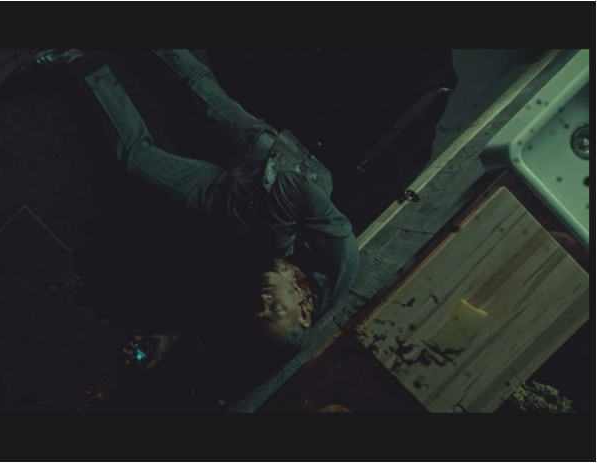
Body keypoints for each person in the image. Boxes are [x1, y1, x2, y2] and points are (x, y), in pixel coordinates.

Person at [20, 49, 360, 369]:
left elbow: (224, 317)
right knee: (196, 88)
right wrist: (280, 248)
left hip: (231, 205)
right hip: (267, 163)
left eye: (260, 310)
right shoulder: (340, 256)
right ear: (304, 313)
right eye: (275, 309)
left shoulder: (271, 306)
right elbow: (290, 183)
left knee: (136, 161)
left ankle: (78, 62)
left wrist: (170, 338)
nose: (264, 301)